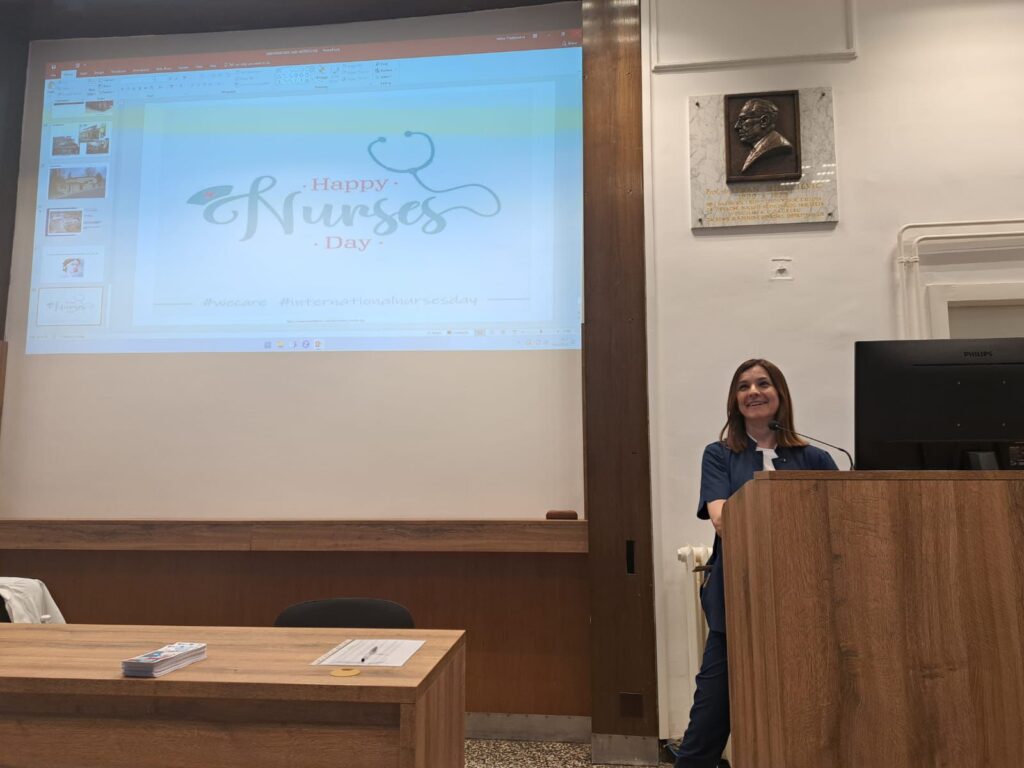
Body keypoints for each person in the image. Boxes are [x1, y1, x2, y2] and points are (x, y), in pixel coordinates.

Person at [674, 358, 838, 768]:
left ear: (780, 394)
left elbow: (837, 523)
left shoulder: (815, 458)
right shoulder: (719, 455)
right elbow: (722, 518)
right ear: (735, 400)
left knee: (806, 706)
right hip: (738, 596)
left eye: (763, 383)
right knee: (711, 711)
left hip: (804, 598)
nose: (753, 392)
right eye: (743, 386)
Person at [733, 98, 793, 174]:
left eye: (744, 119)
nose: (737, 126)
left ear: (764, 121)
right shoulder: (757, 147)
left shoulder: (777, 145)